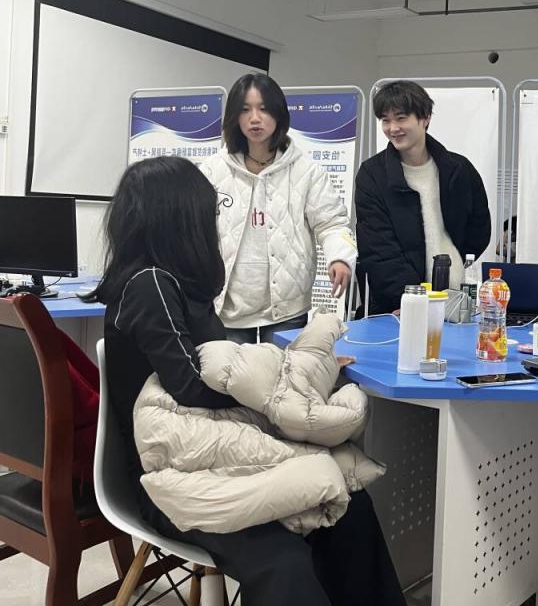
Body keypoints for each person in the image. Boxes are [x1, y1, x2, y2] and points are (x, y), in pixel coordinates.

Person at [87, 157, 404, 606]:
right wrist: (289, 381)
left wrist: (302, 370)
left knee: (348, 506)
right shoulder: (149, 286)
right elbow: (193, 387)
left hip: (214, 458)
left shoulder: (176, 286)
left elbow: (229, 374)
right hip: (171, 479)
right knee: (285, 562)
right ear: (179, 218)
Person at [202, 73, 356, 343]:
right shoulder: (213, 170)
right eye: (245, 110)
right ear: (234, 117)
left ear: (278, 114)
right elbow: (194, 228)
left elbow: (331, 223)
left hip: (287, 306)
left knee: (283, 370)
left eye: (263, 109)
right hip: (228, 305)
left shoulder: (305, 170)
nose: (255, 118)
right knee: (231, 370)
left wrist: (340, 258)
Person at [355, 80, 491, 314]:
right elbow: (377, 248)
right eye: (385, 120)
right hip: (400, 306)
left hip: (455, 300)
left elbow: (479, 230)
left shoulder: (459, 169)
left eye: (401, 118)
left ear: (425, 118)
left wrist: (454, 264)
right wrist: (409, 299)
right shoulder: (373, 175)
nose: (392, 128)